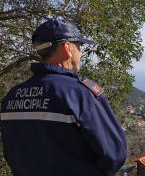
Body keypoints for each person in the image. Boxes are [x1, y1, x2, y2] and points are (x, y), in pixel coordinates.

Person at [0, 19, 127, 176]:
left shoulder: (11, 96)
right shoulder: (80, 94)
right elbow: (115, 154)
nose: (80, 53)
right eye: (79, 47)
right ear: (68, 48)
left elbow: (10, 153)